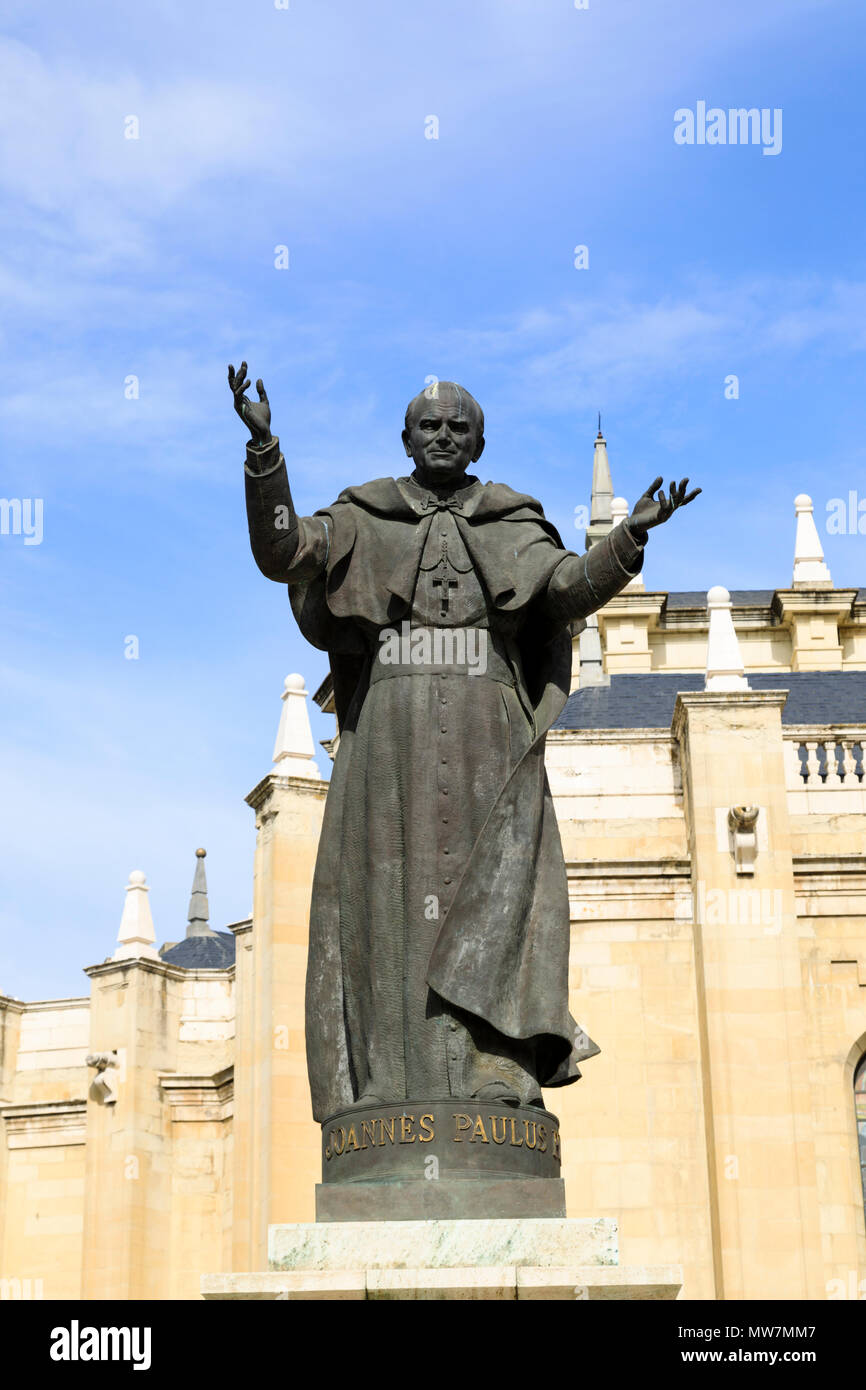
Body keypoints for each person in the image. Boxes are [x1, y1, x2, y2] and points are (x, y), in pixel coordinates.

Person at [230, 365, 699, 1121]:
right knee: (385, 901)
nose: (444, 436)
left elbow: (565, 589)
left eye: (458, 427)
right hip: (391, 728)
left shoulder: (513, 520)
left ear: (479, 440)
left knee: (499, 895)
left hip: (489, 730)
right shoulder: (361, 514)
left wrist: (628, 539)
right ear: (406, 437)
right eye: (430, 425)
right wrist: (264, 454)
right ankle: (390, 1084)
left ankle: (497, 1069)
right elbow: (283, 553)